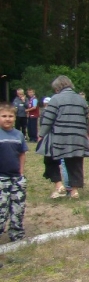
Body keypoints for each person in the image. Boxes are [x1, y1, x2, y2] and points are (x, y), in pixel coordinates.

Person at [37, 76, 89, 200]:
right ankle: (74, 191)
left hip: (59, 137)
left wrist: (41, 135)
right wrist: (87, 135)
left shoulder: (55, 99)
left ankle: (59, 184)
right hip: (78, 137)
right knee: (75, 163)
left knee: (50, 160)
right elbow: (86, 120)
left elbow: (48, 119)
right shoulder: (82, 100)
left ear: (58, 88)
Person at [0, 103, 27, 242]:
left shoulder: (18, 135)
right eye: (4, 116)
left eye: (10, 116)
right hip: (1, 178)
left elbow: (22, 154)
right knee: (1, 209)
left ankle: (16, 234)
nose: (7, 119)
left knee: (18, 207)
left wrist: (21, 172)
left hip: (16, 178)